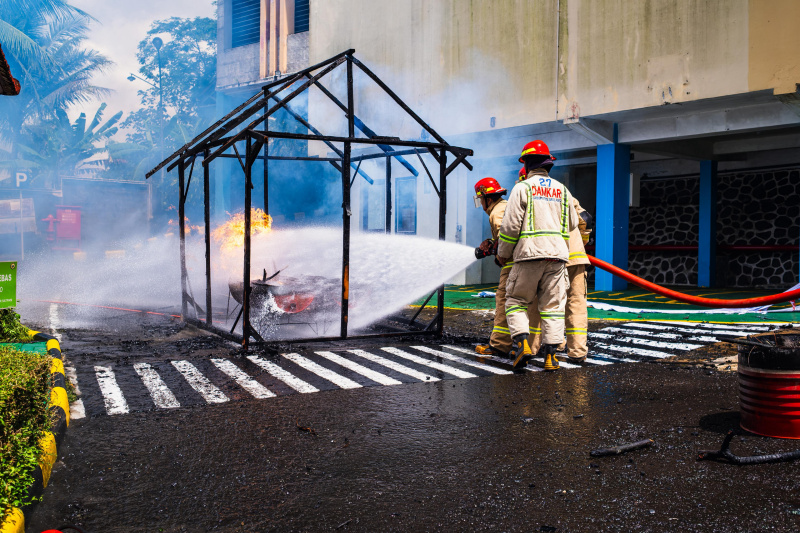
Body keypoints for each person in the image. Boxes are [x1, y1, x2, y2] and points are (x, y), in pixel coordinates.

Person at [497, 140, 579, 371]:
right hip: (558, 257)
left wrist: (503, 253)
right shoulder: (562, 190)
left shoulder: (523, 188)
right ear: (548, 165)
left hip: (529, 256)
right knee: (553, 307)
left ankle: (523, 345)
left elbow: (510, 226)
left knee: (515, 301)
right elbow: (573, 222)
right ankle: (551, 358)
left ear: (526, 164)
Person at [472, 177, 536, 357]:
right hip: (532, 260)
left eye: (481, 200)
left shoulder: (497, 211)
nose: (482, 206)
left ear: (488, 199)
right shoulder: (508, 206)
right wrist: (492, 244)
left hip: (514, 263)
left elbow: (506, 234)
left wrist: (498, 252)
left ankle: (500, 345)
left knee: (503, 300)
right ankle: (536, 345)